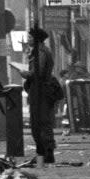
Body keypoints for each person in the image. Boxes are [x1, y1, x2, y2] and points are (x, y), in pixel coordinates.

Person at [21, 26, 58, 165]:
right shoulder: (38, 51)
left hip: (41, 92)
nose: (28, 39)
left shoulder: (40, 52)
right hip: (38, 91)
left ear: (36, 39)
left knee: (41, 123)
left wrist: (25, 73)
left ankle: (47, 154)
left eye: (30, 37)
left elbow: (38, 72)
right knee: (37, 124)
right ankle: (42, 155)